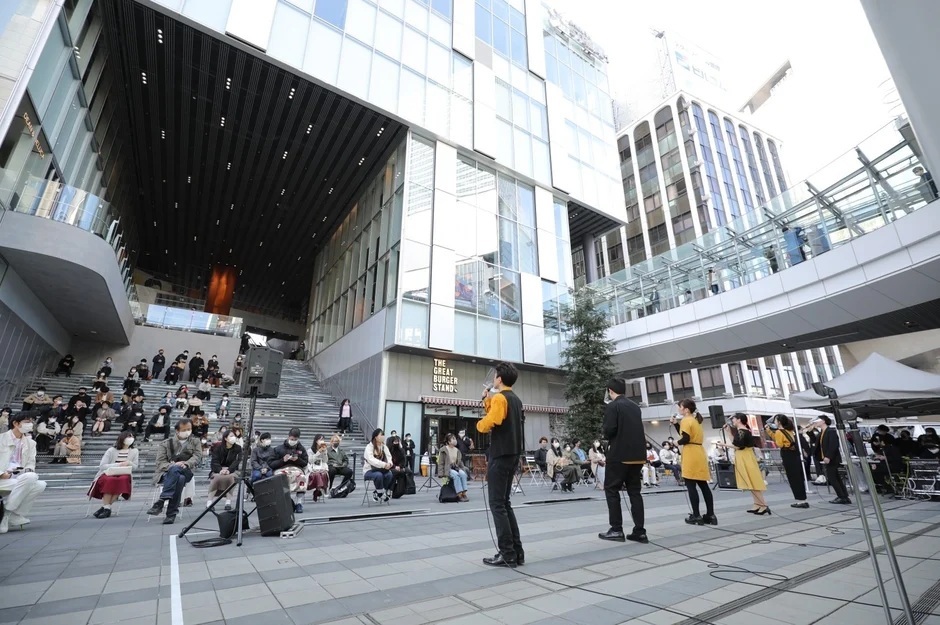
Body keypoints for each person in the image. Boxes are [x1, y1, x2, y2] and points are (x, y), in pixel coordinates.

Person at [476, 362, 525, 568]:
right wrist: (487, 401)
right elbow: (501, 416)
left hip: (500, 454)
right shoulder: (515, 399)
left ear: (499, 379)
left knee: (497, 504)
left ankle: (507, 553)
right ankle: (516, 552)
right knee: (505, 503)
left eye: (495, 376)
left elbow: (491, 422)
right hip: (513, 454)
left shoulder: (499, 398)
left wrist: (479, 424)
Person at [599, 378, 648, 544]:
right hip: (638, 455)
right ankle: (640, 531)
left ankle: (616, 529)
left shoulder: (613, 406)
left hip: (619, 454)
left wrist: (605, 434)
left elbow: (609, 430)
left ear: (610, 390)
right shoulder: (634, 406)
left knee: (611, 489)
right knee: (635, 492)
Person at [147, 419, 203, 525]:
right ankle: (171, 514)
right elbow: (160, 462)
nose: (187, 431)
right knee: (179, 478)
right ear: (177, 431)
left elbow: (197, 456)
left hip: (186, 471)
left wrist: (186, 463)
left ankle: (162, 500)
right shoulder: (166, 443)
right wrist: (173, 466)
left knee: (180, 475)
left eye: (189, 429)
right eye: (184, 429)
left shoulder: (195, 442)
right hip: (166, 473)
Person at [0, 414, 47, 533]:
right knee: (34, 482)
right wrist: (1, 473)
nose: (30, 424)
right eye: (27, 421)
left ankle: (7, 513)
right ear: (16, 423)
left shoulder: (31, 443)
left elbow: (31, 463)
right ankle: (11, 515)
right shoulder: (1, 439)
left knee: (40, 483)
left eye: (31, 421)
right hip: (2, 478)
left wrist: (27, 471)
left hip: (19, 477)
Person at [672, 399, 716, 525]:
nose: (678, 409)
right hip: (699, 452)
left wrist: (676, 442)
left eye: (680, 407)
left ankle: (696, 515)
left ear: (686, 409)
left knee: (691, 486)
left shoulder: (686, 420)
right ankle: (711, 515)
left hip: (690, 453)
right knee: (703, 485)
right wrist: (676, 424)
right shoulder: (695, 420)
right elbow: (688, 434)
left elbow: (685, 438)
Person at [720, 414, 770, 515]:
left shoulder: (743, 431)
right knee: (750, 481)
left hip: (745, 457)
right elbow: (736, 442)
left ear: (739, 420)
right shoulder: (742, 431)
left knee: (752, 481)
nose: (732, 421)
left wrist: (723, 444)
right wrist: (729, 432)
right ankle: (758, 504)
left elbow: (738, 446)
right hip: (745, 456)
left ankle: (763, 505)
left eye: (733, 419)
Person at [88, 431, 139, 518]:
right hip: (109, 473)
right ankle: (107, 508)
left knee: (122, 480)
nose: (130, 439)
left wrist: (129, 462)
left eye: (132, 437)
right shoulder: (111, 450)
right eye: (128, 437)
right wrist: (118, 464)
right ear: (122, 438)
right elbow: (102, 466)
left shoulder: (134, 451)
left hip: (124, 473)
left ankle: (106, 507)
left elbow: (135, 467)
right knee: (109, 480)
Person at [765, 415, 808, 508]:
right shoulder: (788, 430)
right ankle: (802, 499)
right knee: (798, 478)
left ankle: (801, 501)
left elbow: (779, 444)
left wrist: (771, 432)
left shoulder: (779, 432)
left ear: (779, 422)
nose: (774, 422)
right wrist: (769, 431)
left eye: (776, 420)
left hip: (787, 455)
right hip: (794, 455)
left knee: (793, 478)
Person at [270, 428, 309, 513]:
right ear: (288, 437)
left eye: (295, 440)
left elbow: (305, 463)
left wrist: (297, 460)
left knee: (301, 477)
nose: (293, 441)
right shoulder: (279, 449)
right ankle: (288, 501)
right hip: (282, 468)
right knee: (282, 477)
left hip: (296, 468)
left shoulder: (301, 449)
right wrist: (282, 460)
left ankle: (299, 503)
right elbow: (271, 463)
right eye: (292, 439)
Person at [815, 415, 851, 504]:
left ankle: (842, 496)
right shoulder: (822, 432)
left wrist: (828, 456)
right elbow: (817, 444)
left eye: (817, 420)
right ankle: (844, 496)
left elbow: (833, 445)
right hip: (826, 458)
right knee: (835, 477)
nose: (816, 422)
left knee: (832, 477)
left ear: (823, 421)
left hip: (832, 458)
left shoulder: (830, 431)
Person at [208, 430, 242, 509]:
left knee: (231, 478)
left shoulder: (238, 448)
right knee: (216, 478)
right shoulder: (218, 448)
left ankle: (228, 502)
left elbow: (237, 461)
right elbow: (214, 461)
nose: (233, 438)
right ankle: (209, 502)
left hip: (232, 470)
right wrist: (220, 470)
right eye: (231, 436)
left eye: (234, 436)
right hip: (218, 470)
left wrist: (229, 470)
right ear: (225, 438)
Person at [363, 428, 395, 502]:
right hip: (369, 470)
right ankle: (380, 493)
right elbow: (371, 460)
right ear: (376, 437)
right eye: (381, 435)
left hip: (382, 469)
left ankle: (377, 492)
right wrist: (384, 464)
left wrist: (389, 464)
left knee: (389, 474)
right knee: (378, 475)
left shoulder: (384, 446)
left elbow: (389, 456)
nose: (383, 437)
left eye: (383, 435)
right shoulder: (369, 447)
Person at [438, 433, 469, 502]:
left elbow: (460, 462)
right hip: (448, 469)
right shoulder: (443, 450)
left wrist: (463, 469)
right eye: (453, 439)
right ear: (448, 442)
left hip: (456, 467)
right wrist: (440, 473)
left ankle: (464, 493)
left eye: (455, 439)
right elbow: (441, 463)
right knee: (456, 475)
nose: (455, 441)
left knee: (463, 474)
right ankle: (459, 494)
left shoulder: (457, 450)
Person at [307, 436, 329, 502]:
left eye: (323, 439)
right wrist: (318, 453)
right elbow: (310, 461)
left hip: (321, 467)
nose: (322, 441)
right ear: (316, 441)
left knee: (324, 474)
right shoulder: (310, 450)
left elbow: (325, 460)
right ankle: (319, 490)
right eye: (320, 439)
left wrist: (324, 453)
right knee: (317, 474)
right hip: (313, 468)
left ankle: (317, 491)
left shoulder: (324, 449)